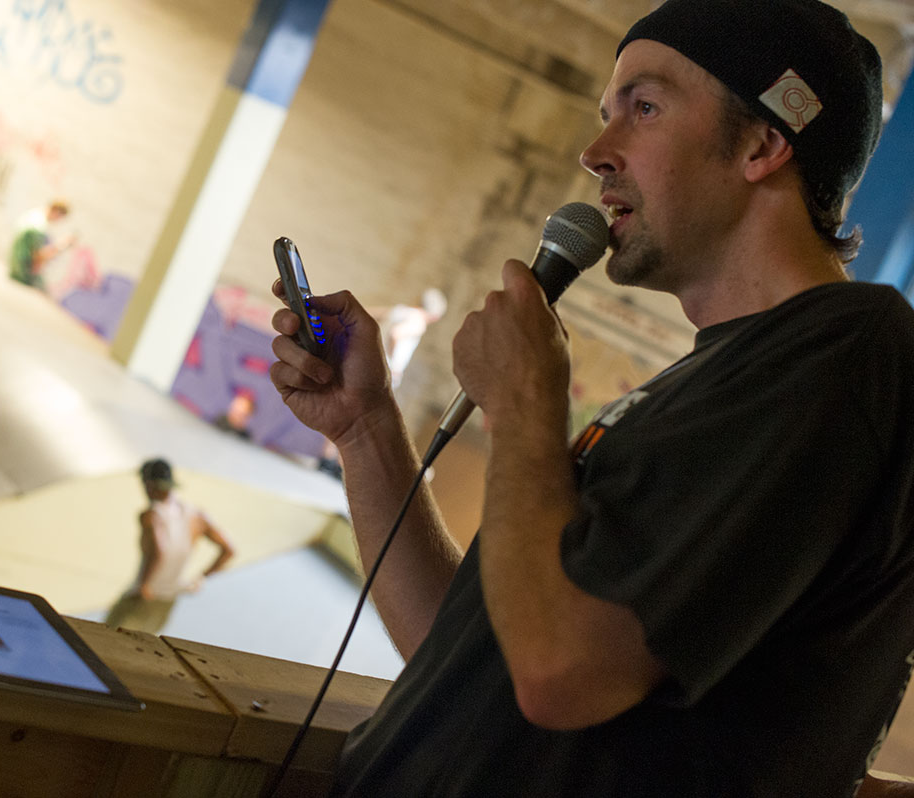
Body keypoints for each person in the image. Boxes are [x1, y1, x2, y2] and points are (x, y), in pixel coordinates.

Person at [268, 1, 914, 795]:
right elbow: (476, 651)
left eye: (643, 108)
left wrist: (526, 404)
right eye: (607, 115)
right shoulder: (717, 380)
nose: (595, 153)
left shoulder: (848, 357)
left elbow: (560, 675)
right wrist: (367, 428)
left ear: (762, 143)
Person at [105, 459, 234, 635]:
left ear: (149, 484)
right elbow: (228, 550)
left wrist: (144, 585)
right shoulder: (196, 515)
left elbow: (159, 552)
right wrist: (201, 577)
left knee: (106, 639)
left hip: (144, 595)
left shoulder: (151, 514)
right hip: (169, 597)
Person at [376, 287, 447, 388]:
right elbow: (395, 333)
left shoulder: (401, 310)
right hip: (381, 369)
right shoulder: (419, 322)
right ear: (435, 317)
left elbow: (371, 313)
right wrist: (393, 365)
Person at [8, 200, 75, 289]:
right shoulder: (38, 227)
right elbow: (39, 256)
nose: (59, 221)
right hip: (22, 273)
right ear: (55, 211)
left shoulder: (34, 216)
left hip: (15, 267)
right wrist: (62, 245)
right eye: (60, 217)